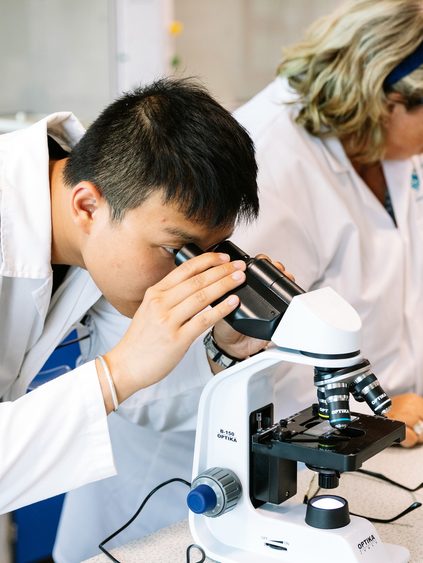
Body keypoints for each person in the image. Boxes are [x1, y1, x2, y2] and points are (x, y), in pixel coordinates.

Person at [0, 77, 271, 515]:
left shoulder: (111, 227)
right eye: (175, 250)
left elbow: (147, 401)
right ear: (87, 206)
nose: (185, 272)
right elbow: (124, 371)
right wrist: (117, 371)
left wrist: (227, 351)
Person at [232, 0, 423, 448]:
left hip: (386, 426)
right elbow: (252, 345)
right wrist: (371, 412)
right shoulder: (268, 161)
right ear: (383, 101)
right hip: (229, 466)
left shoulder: (388, 147)